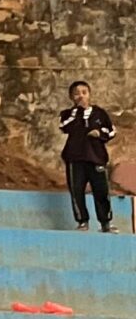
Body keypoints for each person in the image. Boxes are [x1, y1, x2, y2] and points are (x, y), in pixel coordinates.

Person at [61, 82, 116, 234]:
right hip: (75, 158)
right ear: (71, 97)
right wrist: (78, 112)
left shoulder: (100, 113)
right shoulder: (68, 114)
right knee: (76, 190)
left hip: (96, 157)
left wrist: (100, 133)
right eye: (76, 93)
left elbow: (111, 131)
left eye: (84, 92)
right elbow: (64, 127)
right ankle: (82, 222)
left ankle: (105, 223)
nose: (81, 96)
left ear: (89, 94)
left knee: (101, 191)